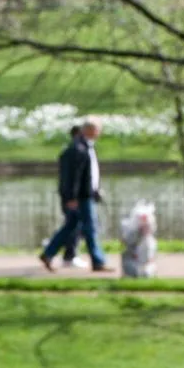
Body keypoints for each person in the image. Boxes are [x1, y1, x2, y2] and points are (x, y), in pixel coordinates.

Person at [40, 116, 107, 272]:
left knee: (71, 226)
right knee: (90, 228)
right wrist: (71, 197)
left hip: (87, 195)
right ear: (90, 130)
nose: (99, 133)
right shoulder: (78, 149)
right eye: (98, 130)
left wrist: (95, 190)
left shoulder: (86, 147)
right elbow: (72, 177)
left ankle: (48, 253)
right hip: (82, 197)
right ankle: (98, 261)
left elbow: (89, 174)